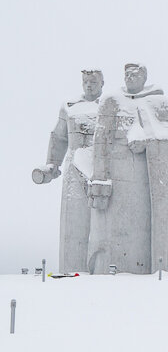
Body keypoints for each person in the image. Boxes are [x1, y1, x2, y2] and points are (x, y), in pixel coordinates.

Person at [88, 63, 168, 274]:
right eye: (126, 73)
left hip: (142, 178)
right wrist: (100, 175)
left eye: (135, 73)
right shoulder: (111, 101)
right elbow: (100, 139)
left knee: (139, 228)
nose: (130, 77)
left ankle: (142, 268)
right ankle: (109, 268)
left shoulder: (158, 102)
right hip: (115, 175)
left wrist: (147, 142)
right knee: (111, 228)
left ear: (144, 77)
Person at [32, 69, 104, 273]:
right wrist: (52, 164)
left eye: (93, 81)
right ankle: (72, 270)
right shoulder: (70, 107)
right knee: (73, 222)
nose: (89, 85)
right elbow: (59, 137)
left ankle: (101, 270)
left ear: (102, 83)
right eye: (86, 81)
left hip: (99, 167)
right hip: (74, 167)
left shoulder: (108, 105)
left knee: (101, 223)